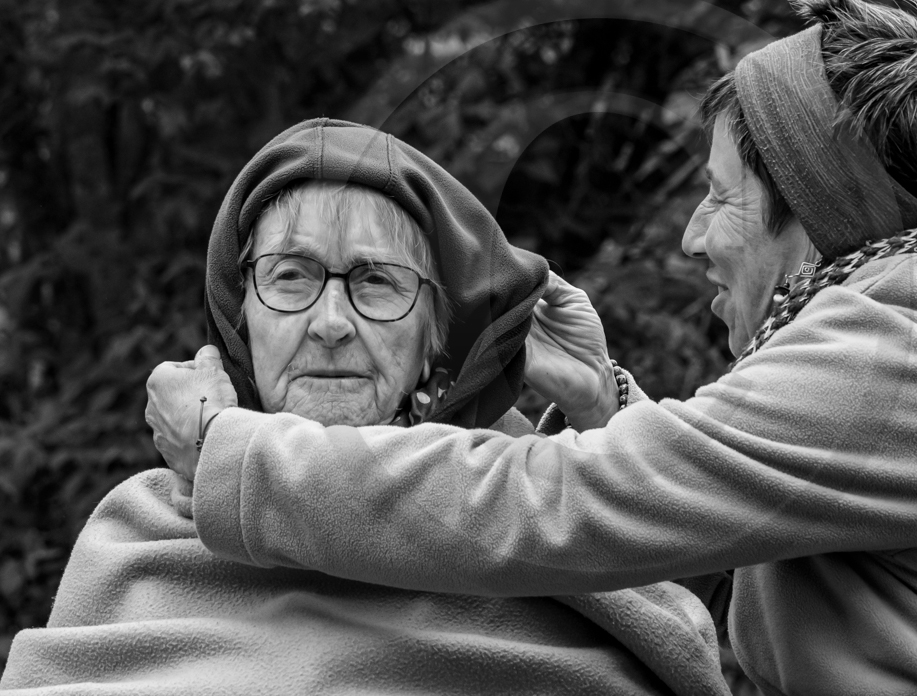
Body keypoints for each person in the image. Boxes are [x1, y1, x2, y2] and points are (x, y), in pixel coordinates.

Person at [134, 0, 917, 695]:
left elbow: (549, 507)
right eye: (290, 276)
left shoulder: (907, 351)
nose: (693, 237)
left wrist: (233, 456)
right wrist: (603, 406)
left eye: (721, 199)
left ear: (819, 215)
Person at [0, 119, 729, 696]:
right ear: (239, 319)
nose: (329, 322)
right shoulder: (143, 533)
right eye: (291, 276)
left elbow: (668, 633)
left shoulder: (522, 502)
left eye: (377, 282)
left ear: (433, 337)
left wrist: (599, 405)